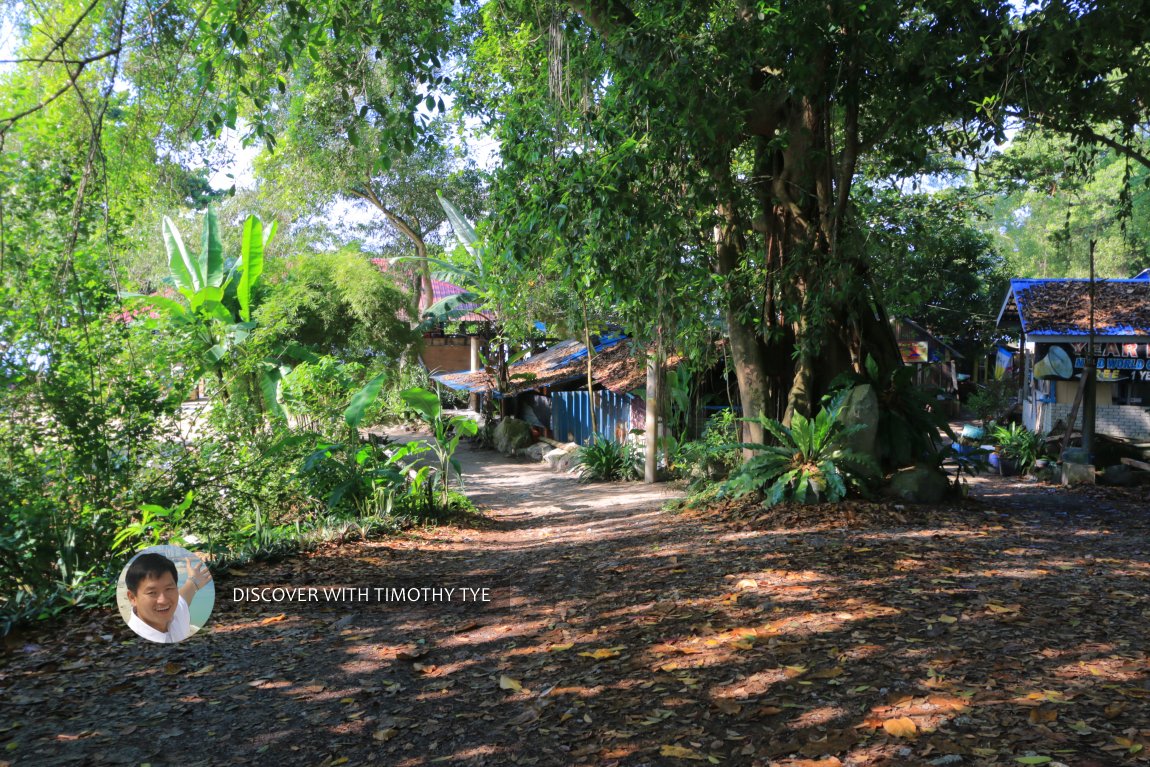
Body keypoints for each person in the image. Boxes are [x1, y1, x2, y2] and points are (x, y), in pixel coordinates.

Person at [125, 552, 211, 643]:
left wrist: (194, 581)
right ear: (132, 598)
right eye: (152, 593)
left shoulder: (176, 613)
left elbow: (184, 596)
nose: (163, 600)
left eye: (169, 589)